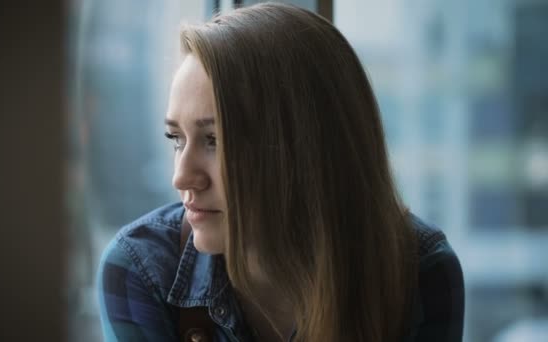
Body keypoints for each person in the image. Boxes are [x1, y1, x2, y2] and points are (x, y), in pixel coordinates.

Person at [97, 3, 465, 341]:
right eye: (177, 138)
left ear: (305, 148)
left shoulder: (418, 273)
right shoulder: (141, 270)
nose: (182, 177)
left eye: (214, 140)